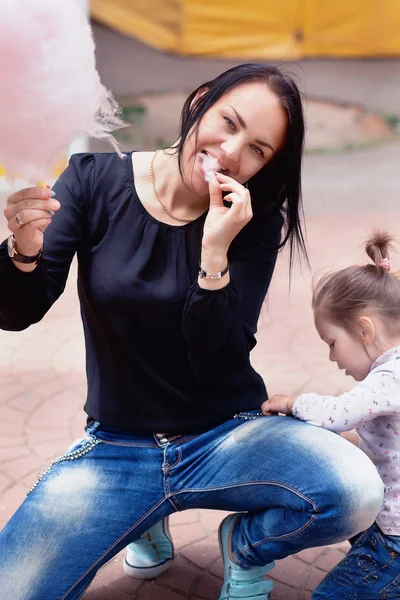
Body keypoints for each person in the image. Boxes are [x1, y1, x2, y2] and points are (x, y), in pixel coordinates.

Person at [0, 64, 383, 600]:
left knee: (355, 490)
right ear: (200, 100)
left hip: (227, 434)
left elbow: (217, 358)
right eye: (227, 122)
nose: (229, 151)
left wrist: (215, 251)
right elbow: (17, 311)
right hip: (119, 446)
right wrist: (23, 251)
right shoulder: (92, 180)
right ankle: (143, 519)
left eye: (256, 149)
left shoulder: (249, 220)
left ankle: (243, 545)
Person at [262, 230, 400, 599]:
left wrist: (294, 403)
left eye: (332, 343)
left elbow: (339, 414)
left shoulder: (390, 376)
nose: (332, 358)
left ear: (365, 328)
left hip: (395, 541)